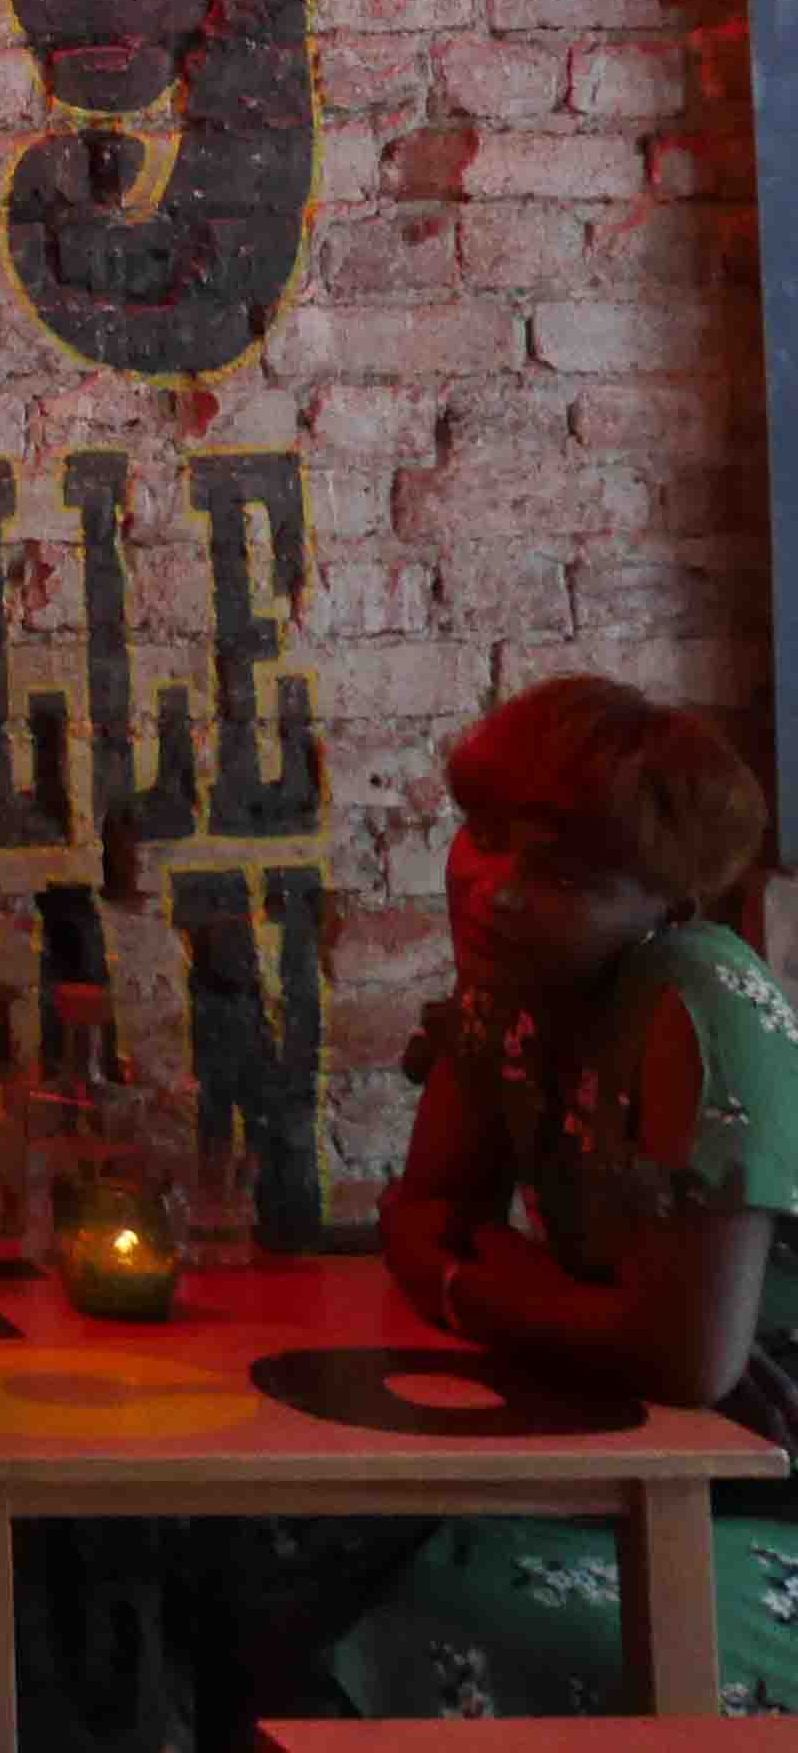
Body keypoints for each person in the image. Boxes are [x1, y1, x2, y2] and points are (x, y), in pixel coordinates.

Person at [309, 672, 798, 1717]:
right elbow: (421, 1216)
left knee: (468, 1612)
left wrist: (482, 1282)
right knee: (289, 1549)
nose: (495, 891)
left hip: (764, 1497)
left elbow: (687, 1360)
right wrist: (554, 1302)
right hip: (642, 1457)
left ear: (667, 906)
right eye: (484, 837)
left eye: (565, 876)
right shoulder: (513, 985)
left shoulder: (697, 1000)